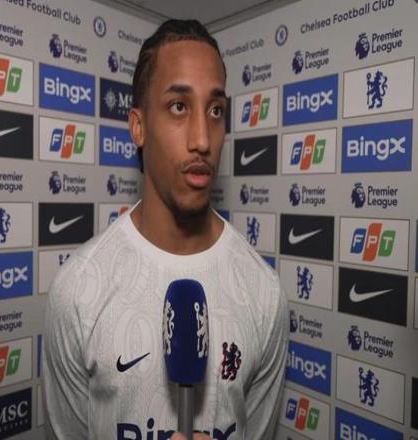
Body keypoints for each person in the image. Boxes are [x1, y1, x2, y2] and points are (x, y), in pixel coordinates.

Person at [43, 19, 289, 440]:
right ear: (138, 127)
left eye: (215, 111)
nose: (202, 139)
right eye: (178, 106)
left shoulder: (264, 293)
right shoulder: (78, 289)